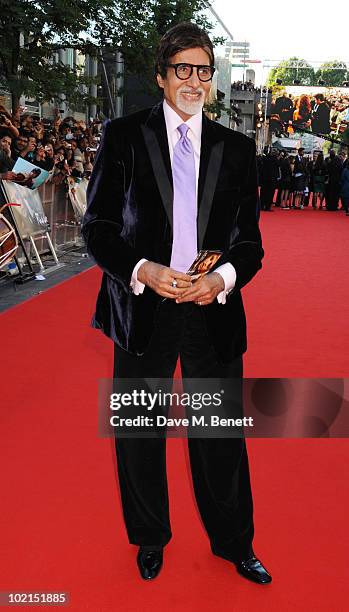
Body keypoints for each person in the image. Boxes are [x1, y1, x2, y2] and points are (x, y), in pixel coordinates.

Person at [82, 22, 270, 585]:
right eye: (182, 68)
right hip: (144, 305)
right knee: (140, 433)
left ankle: (235, 543)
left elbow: (250, 242)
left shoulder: (235, 148)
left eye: (203, 70)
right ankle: (149, 538)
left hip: (212, 308)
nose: (193, 79)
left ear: (212, 80)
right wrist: (142, 269)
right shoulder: (122, 137)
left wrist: (225, 278)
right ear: (161, 76)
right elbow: (98, 226)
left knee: (220, 435)